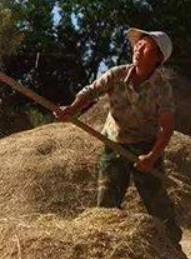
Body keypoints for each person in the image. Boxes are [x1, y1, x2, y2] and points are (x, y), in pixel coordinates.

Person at [53, 28, 182, 246]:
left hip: (145, 146)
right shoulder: (117, 74)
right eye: (138, 44)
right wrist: (72, 109)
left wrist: (151, 157)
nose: (138, 48)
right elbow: (91, 91)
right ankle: (102, 247)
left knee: (157, 201)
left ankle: (173, 246)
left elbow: (167, 127)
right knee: (106, 203)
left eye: (145, 45)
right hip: (114, 143)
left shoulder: (162, 88)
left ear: (158, 57)